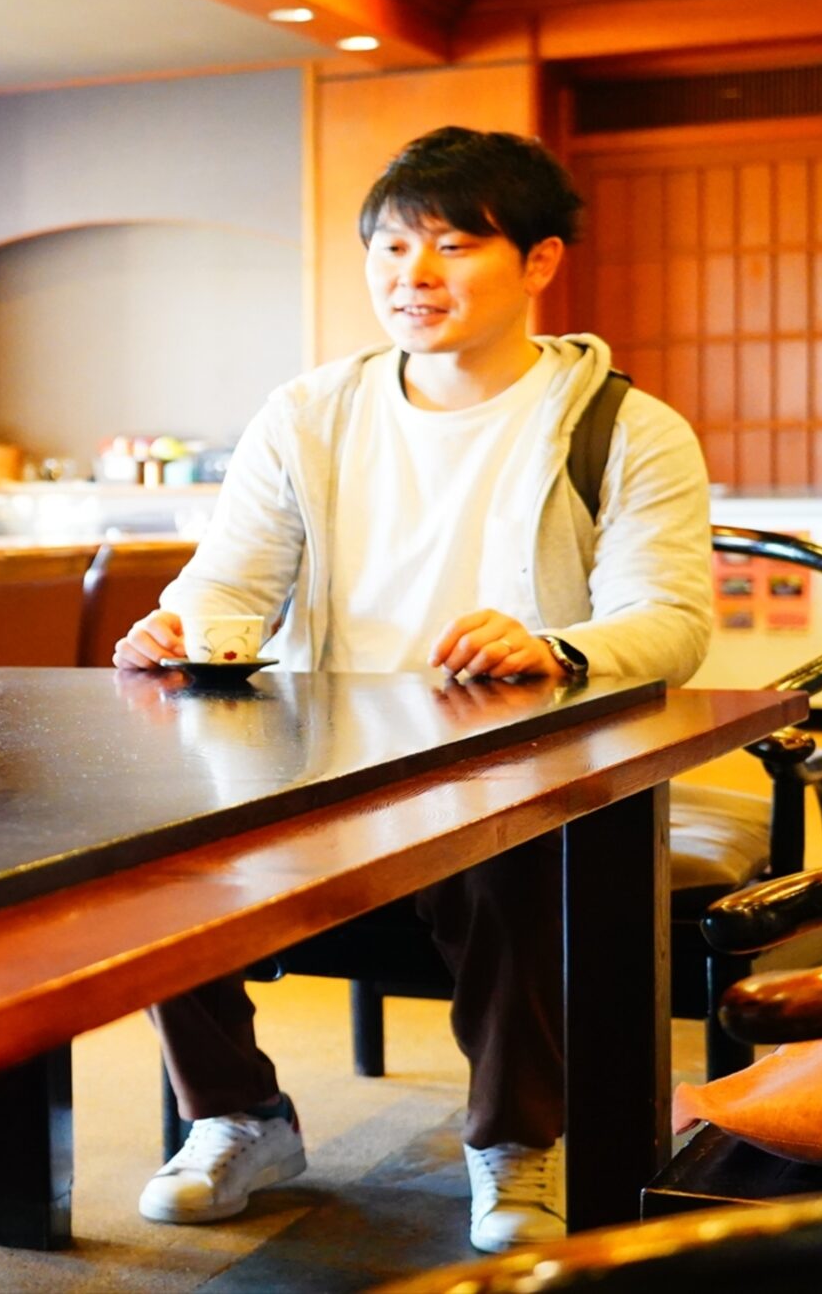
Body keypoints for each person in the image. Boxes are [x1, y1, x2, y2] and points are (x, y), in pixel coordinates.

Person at [112, 126, 712, 1253]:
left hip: (513, 758)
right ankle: (238, 1116)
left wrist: (556, 647)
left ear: (538, 262)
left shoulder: (624, 427)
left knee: (517, 842)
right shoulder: (307, 413)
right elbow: (229, 584)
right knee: (141, 847)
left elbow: (672, 622)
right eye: (389, 249)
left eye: (450, 246)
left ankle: (513, 1142)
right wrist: (183, 630)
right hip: (320, 755)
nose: (412, 277)